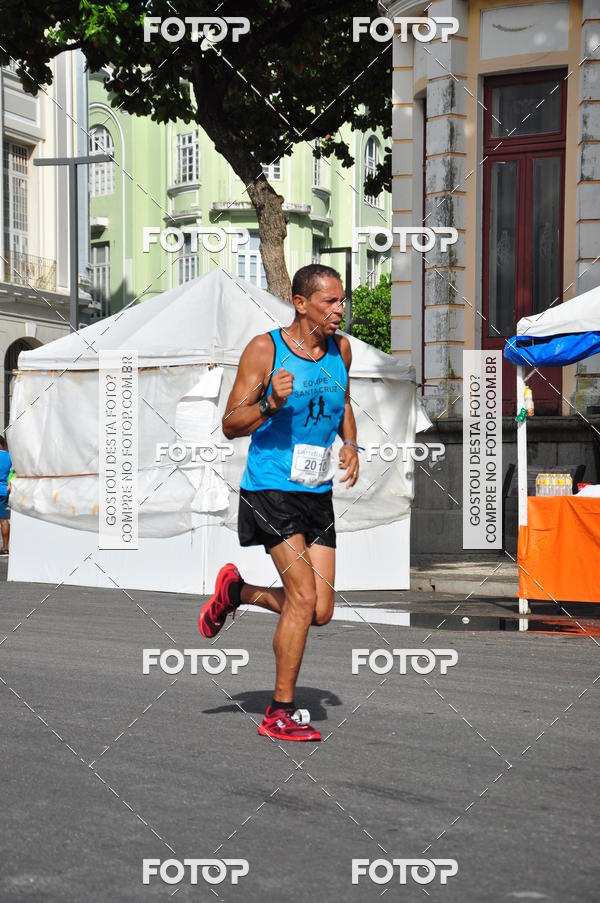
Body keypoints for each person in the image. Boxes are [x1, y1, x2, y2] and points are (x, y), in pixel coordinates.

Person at [198, 264, 360, 741]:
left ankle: (237, 593)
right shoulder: (265, 349)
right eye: (329, 301)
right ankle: (279, 712)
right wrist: (269, 401)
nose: (339, 309)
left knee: (320, 610)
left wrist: (351, 444)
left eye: (341, 300)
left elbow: (344, 403)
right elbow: (230, 423)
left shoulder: (341, 350)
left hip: (316, 491)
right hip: (271, 487)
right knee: (303, 599)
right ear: (300, 302)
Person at [0, 435, 12, 556]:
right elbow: (14, 471)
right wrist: (9, 483)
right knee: (3, 520)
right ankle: (5, 548)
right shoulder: (10, 456)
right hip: (3, 491)